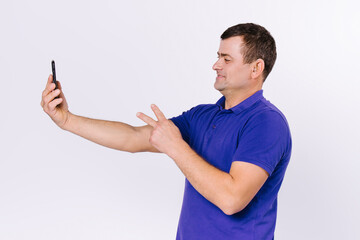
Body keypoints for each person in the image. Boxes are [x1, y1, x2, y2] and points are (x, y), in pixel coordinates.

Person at [41, 23, 292, 240]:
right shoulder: (203, 115)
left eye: (227, 59)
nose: (215, 65)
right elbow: (133, 138)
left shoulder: (266, 123)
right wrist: (67, 120)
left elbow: (231, 200)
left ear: (256, 68)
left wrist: (175, 147)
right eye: (218, 56)